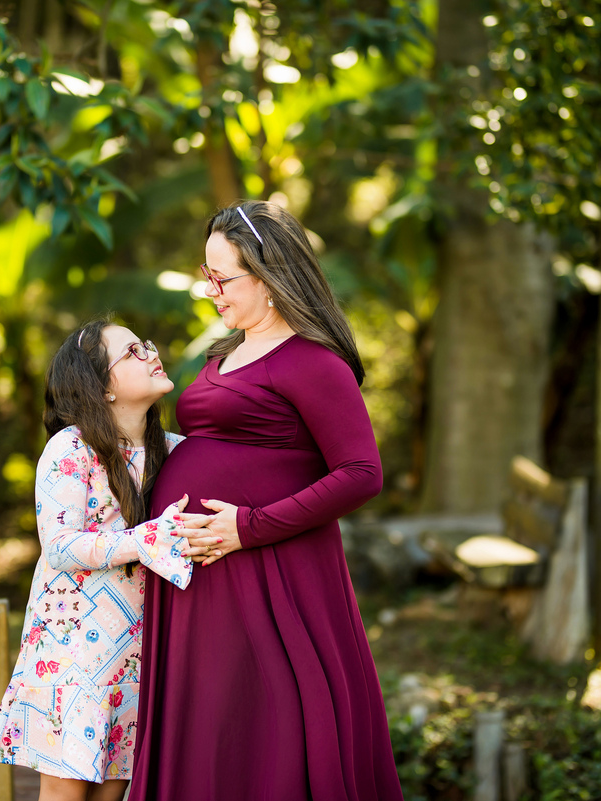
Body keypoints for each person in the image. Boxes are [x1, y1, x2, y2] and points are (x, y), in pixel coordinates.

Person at [127, 201, 404, 800]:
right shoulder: (223, 355)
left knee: (272, 725)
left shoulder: (312, 361)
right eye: (208, 277)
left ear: (269, 273)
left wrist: (249, 527)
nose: (211, 292)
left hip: (269, 571)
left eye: (222, 278)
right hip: (197, 579)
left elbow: (361, 473)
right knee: (212, 725)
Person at [0, 320, 211, 801]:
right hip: (71, 658)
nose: (150, 352)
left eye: (146, 344)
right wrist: (145, 539)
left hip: (136, 657)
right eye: (132, 352)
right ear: (102, 387)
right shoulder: (70, 448)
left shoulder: (173, 452)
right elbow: (61, 545)